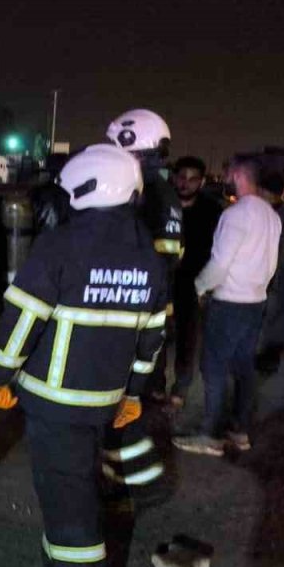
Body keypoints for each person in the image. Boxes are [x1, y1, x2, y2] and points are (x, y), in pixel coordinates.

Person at [0, 144, 167, 567]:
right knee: (74, 494)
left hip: (55, 404)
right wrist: (134, 394)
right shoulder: (148, 257)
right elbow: (151, 340)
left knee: (70, 514)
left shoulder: (59, 246)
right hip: (104, 402)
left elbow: (21, 325)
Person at [173, 156, 281, 456]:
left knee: (214, 367)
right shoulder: (271, 215)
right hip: (255, 301)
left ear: (238, 175)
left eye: (229, 172)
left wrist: (198, 287)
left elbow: (219, 265)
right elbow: (271, 265)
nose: (225, 177)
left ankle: (210, 433)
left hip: (229, 302)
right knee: (244, 367)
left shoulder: (235, 215)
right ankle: (239, 430)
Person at [100, 109, 181, 488]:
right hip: (145, 311)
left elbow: (160, 259)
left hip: (136, 314)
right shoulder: (155, 189)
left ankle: (122, 475)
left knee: (126, 394)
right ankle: (121, 467)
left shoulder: (149, 193)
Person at [148, 156, 223, 406]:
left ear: (201, 182)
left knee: (187, 338)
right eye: (181, 177)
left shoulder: (211, 210)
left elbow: (218, 249)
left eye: (192, 179)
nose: (185, 183)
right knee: (156, 335)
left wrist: (207, 285)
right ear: (173, 177)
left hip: (191, 284)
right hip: (160, 281)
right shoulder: (160, 204)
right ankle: (156, 384)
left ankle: (181, 387)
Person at [255, 169, 284, 375]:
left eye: (261, 191)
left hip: (276, 278)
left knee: (275, 321)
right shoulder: (259, 210)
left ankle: (268, 359)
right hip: (259, 276)